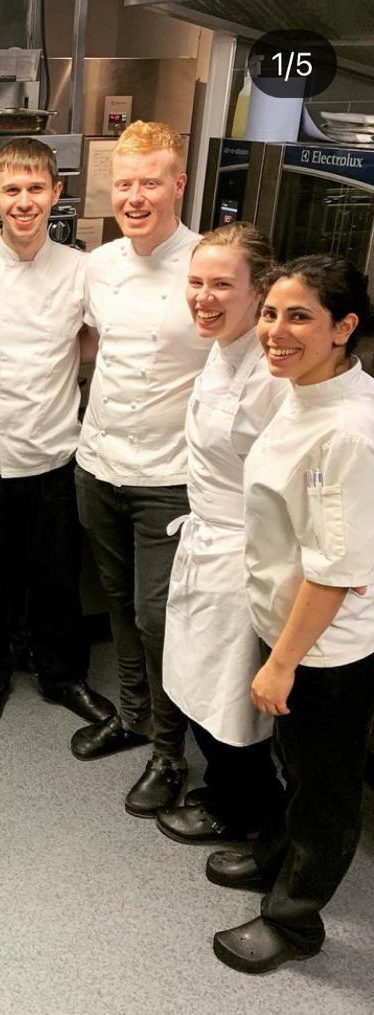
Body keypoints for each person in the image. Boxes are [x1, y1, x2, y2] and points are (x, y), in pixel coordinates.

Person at [208, 256, 374, 974]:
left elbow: (334, 571)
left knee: (325, 791)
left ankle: (296, 920)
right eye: (271, 313)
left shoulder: (350, 431)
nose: (276, 331)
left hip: (325, 649)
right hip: (290, 626)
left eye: (299, 316)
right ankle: (276, 856)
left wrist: (281, 664)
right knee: (295, 765)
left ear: (344, 327)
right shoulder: (303, 391)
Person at [0, 137, 114, 729]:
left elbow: (92, 343)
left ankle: (63, 676)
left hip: (56, 450)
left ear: (56, 194)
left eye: (36, 188)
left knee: (56, 574)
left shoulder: (81, 270)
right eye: (12, 189)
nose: (24, 201)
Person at [71, 121, 210, 817]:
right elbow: (90, 344)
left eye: (149, 182)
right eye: (124, 183)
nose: (134, 197)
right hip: (99, 463)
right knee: (119, 602)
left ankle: (169, 752)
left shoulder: (207, 266)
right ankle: (131, 715)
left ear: (178, 184)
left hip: (171, 476)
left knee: (159, 618)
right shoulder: (99, 265)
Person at [155, 223, 286, 846]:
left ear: (259, 289)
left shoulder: (274, 374)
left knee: (233, 697)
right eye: (196, 282)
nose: (203, 298)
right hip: (205, 540)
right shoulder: (223, 346)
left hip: (244, 557)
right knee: (201, 683)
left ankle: (249, 814)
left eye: (222, 285)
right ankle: (226, 793)